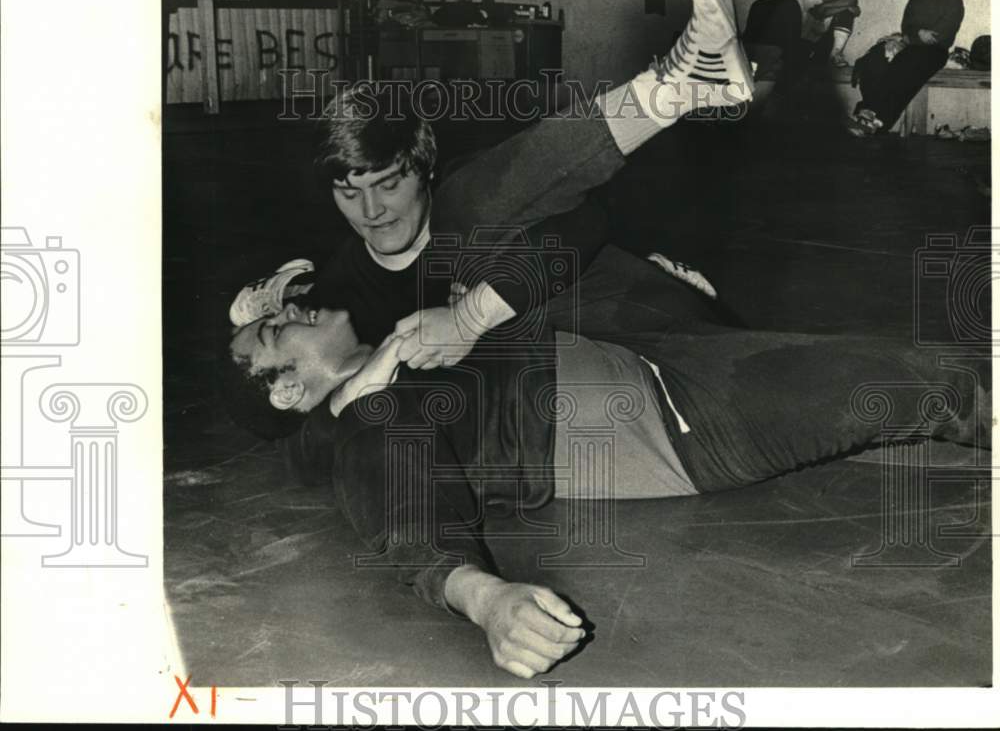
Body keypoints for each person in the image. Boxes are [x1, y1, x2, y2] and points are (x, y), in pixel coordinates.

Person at [222, 297, 987, 680]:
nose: (290, 311)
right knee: (930, 381)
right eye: (275, 331)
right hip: (683, 420)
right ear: (286, 389)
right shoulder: (368, 421)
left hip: (666, 363)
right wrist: (483, 598)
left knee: (909, 401)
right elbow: (400, 507)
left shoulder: (385, 364)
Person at [229, 0, 753, 413]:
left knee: (466, 211)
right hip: (617, 379)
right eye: (349, 192)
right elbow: (274, 385)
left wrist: (471, 315)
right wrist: (282, 289)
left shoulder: (463, 190)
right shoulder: (341, 285)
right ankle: (682, 85)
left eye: (389, 185)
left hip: (650, 318)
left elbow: (587, 222)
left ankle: (675, 86)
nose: (372, 211)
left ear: (423, 168)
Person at [849, 0, 964, 136]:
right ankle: (868, 116)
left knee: (905, 62)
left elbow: (938, 36)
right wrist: (913, 35)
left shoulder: (953, 1)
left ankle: (875, 117)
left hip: (935, 52)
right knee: (874, 57)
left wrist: (911, 37)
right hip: (910, 45)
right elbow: (907, 27)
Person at [741, 0, 803, 83]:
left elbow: (792, 42)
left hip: (778, 63)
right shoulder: (756, 6)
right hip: (756, 61)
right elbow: (748, 37)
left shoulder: (789, 3)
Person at [798, 0, 860, 69]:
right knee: (846, 12)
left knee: (846, 14)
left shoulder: (839, 3)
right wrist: (847, 7)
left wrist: (826, 6)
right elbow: (820, 13)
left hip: (825, 49)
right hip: (806, 48)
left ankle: (835, 54)